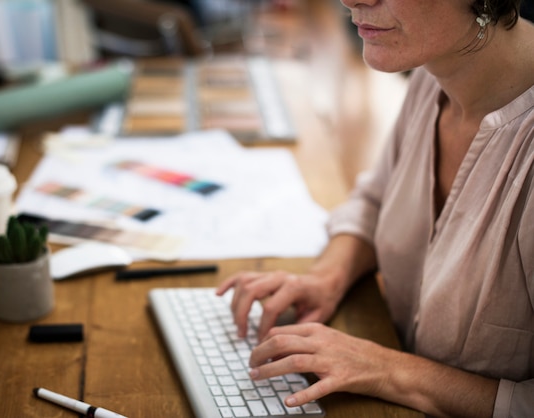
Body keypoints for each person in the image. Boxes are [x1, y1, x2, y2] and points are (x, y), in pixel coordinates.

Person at [216, 0, 534, 416]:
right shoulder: (437, 68)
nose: (351, 0)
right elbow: (377, 197)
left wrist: (385, 369)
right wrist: (327, 276)